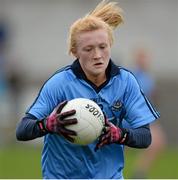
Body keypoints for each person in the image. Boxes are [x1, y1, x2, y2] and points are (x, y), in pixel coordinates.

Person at [16, 1, 160, 179]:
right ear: (75, 52)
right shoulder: (59, 83)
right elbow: (22, 130)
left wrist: (120, 135)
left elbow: (145, 136)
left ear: (110, 45)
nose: (97, 55)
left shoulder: (126, 82)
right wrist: (48, 125)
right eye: (88, 49)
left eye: (102, 46)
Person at [129, 47, 166, 178]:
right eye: (141, 57)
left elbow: (151, 97)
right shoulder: (133, 76)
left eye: (145, 57)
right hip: (136, 117)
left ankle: (139, 173)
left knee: (158, 143)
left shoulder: (148, 77)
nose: (144, 60)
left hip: (146, 117)